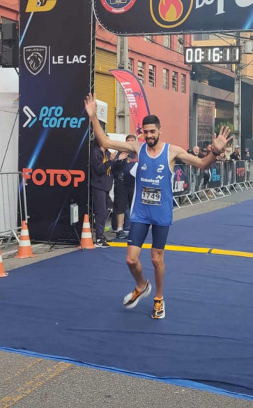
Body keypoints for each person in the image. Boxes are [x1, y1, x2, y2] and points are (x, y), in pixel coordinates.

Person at [84, 93, 231, 319]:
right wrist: (93, 117)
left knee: (156, 259)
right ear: (142, 133)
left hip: (161, 213)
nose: (150, 135)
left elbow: (202, 164)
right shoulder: (137, 148)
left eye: (153, 131)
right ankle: (142, 285)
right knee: (131, 259)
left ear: (160, 131)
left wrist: (216, 151)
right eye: (146, 132)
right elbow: (104, 142)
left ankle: (159, 298)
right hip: (141, 213)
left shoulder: (172, 151)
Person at [90, 134, 114, 247]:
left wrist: (117, 160)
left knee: (105, 211)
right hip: (98, 185)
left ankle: (101, 234)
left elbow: (111, 167)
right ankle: (99, 238)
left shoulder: (107, 153)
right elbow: (99, 169)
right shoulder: (95, 152)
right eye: (106, 140)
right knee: (100, 212)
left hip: (106, 185)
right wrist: (110, 160)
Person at [111, 134, 137, 240]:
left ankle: (134, 229)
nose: (130, 142)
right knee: (120, 207)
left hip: (134, 184)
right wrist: (119, 160)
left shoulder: (138, 153)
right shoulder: (119, 153)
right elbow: (112, 169)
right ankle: (119, 229)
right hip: (121, 184)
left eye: (132, 140)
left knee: (134, 208)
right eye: (128, 140)